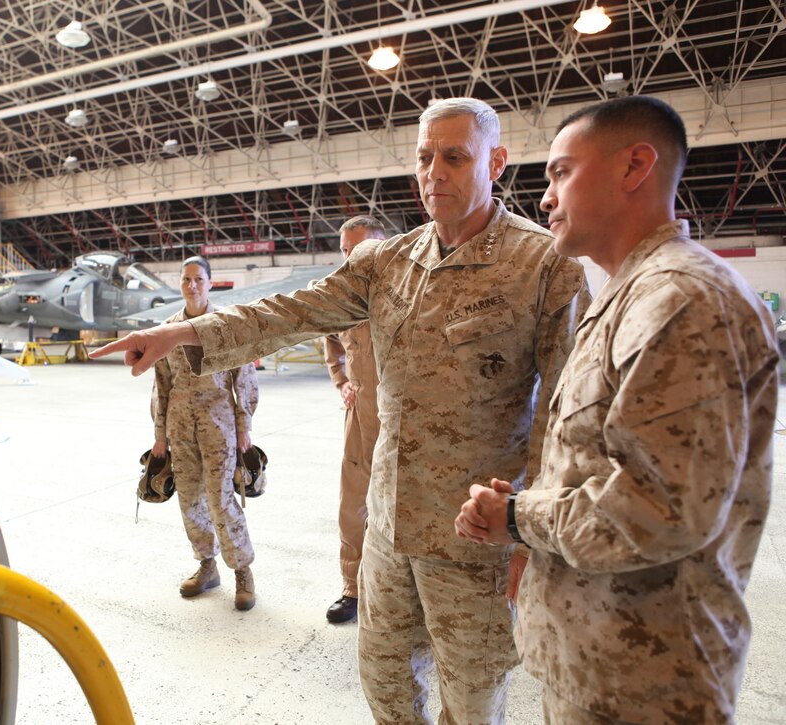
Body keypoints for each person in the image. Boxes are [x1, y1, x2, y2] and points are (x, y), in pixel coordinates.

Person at [94, 98, 590, 722]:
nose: (434, 171)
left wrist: (530, 535)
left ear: (496, 161)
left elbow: (564, 414)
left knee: (470, 701)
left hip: (476, 541)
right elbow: (289, 311)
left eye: (455, 157)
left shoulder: (544, 265)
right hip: (388, 529)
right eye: (425, 156)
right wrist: (182, 335)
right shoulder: (385, 263)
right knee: (383, 685)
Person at [454, 96, 779, 724]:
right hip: (598, 660)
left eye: (560, 172)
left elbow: (660, 511)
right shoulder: (630, 296)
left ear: (634, 168)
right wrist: (533, 544)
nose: (545, 197)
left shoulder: (682, 302)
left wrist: (519, 518)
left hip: (647, 682)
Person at [151, 256, 260, 611]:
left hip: (219, 425)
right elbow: (161, 385)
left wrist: (244, 427)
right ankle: (207, 566)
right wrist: (159, 435)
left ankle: (242, 570)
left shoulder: (224, 326)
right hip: (179, 427)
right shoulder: (166, 330)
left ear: (210, 283)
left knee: (220, 499)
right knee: (190, 500)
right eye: (186, 279)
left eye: (198, 279)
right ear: (180, 284)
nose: (192, 285)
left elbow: (242, 378)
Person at [323, 215, 386, 625]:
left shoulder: (406, 290)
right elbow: (328, 336)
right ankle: (353, 587)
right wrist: (341, 379)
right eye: (344, 250)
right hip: (360, 415)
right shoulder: (341, 296)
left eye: (357, 249)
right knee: (353, 505)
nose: (348, 258)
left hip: (408, 413)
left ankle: (406, 595)